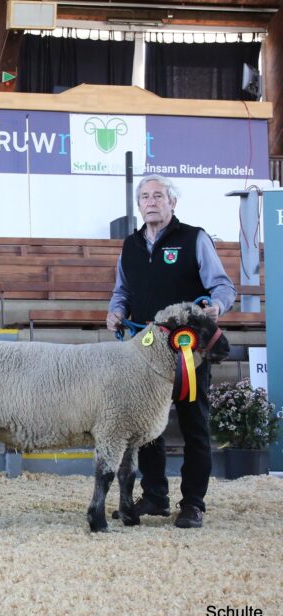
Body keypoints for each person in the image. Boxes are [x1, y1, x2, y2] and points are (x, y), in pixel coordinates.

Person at [105, 174, 236, 529]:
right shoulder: (130, 245)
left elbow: (223, 285)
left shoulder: (194, 237)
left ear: (172, 202)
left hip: (188, 354)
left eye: (158, 196)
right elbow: (122, 291)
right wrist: (115, 312)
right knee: (148, 429)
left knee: (195, 426)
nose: (151, 201)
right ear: (139, 204)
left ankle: (193, 502)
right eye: (145, 196)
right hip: (146, 357)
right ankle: (155, 496)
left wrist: (217, 307)